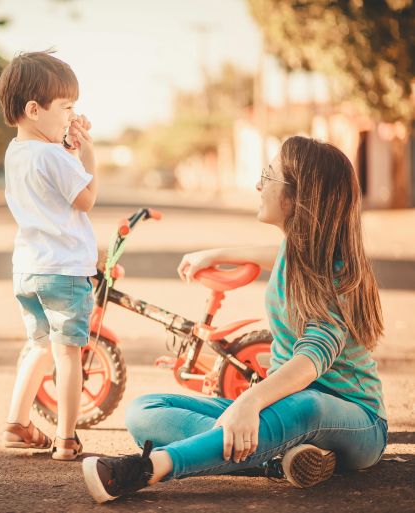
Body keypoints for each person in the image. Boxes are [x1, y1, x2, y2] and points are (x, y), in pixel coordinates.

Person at [82, 135, 387, 500]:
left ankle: (149, 468)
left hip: (357, 421)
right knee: (144, 411)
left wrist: (250, 401)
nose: (259, 185)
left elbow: (310, 362)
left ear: (296, 197)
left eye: (268, 176)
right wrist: (216, 253)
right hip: (282, 407)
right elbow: (277, 255)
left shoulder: (336, 273)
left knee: (307, 404)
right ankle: (276, 459)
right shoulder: (297, 251)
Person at [0, 51, 97, 461]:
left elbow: (53, 192)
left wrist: (68, 144)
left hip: (28, 270)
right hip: (64, 271)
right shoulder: (54, 155)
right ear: (34, 110)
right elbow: (85, 199)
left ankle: (17, 423)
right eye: (67, 107)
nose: (73, 114)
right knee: (68, 353)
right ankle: (67, 438)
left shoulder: (16, 152)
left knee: (39, 345)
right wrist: (87, 150)